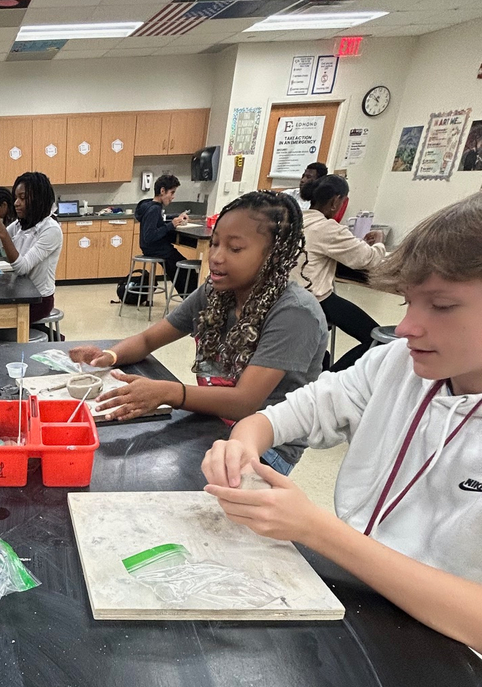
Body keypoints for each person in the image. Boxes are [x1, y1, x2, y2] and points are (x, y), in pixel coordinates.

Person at [201, 193, 482, 651]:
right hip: (359, 605)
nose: (407, 327)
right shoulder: (394, 363)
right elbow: (291, 412)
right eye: (408, 303)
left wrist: (314, 528)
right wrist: (243, 441)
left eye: (443, 306)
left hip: (450, 657)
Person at [72, 191, 326, 474]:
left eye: (235, 249)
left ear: (273, 255)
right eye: (215, 243)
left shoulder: (294, 313)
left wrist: (168, 393)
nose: (216, 257)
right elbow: (147, 339)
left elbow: (244, 402)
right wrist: (108, 355)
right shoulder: (214, 293)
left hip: (265, 449)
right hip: (210, 421)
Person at [299, 174, 387, 371]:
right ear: (336, 201)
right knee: (377, 339)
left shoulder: (295, 219)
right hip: (315, 298)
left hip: (289, 294)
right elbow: (369, 260)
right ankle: (332, 377)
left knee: (322, 351)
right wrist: (380, 241)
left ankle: (325, 371)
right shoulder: (328, 228)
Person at [0, 171, 63, 344]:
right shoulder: (20, 225)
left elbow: (22, 267)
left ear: (38, 198)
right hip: (19, 293)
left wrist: (3, 232)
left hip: (38, 300)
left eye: (23, 198)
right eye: (16, 197)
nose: (16, 203)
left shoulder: (50, 229)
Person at [134, 173, 194, 295]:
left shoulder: (150, 205)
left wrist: (175, 218)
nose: (173, 197)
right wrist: (171, 225)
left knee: (177, 268)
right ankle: (190, 298)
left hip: (152, 248)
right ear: (162, 191)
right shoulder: (154, 209)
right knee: (187, 271)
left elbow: (160, 219)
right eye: (172, 193)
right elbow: (149, 236)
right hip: (157, 249)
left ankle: (186, 296)